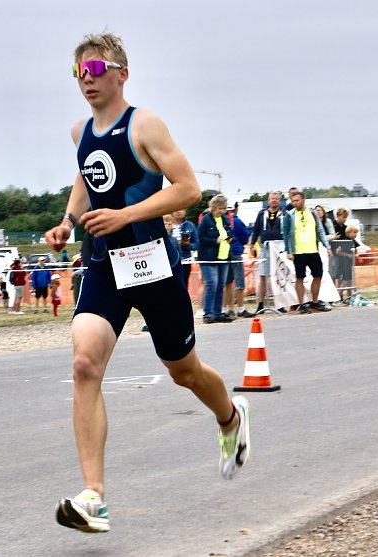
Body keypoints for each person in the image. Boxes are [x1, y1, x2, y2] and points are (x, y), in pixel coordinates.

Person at [45, 32, 249, 534]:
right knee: (84, 363)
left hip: (153, 263)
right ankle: (94, 496)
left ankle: (230, 418)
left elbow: (189, 188)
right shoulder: (80, 132)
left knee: (185, 371)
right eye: (78, 73)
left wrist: (125, 215)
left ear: (121, 73)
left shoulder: (145, 125)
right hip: (105, 265)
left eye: (94, 70)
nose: (85, 81)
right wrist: (69, 223)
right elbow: (85, 179)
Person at [282, 189, 332, 313]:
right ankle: (301, 304)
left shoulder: (312, 213)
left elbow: (320, 230)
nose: (295, 203)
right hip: (298, 252)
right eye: (293, 201)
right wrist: (289, 250)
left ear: (303, 200)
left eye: (297, 201)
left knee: (318, 275)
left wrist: (327, 247)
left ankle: (314, 302)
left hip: (312, 250)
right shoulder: (290, 215)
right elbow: (286, 234)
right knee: (300, 277)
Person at [197, 194, 235, 324]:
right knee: (211, 284)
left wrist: (230, 238)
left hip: (223, 257)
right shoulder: (206, 220)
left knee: (220, 286)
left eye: (223, 209)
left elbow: (229, 232)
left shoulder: (224, 219)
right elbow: (199, 238)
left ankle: (218, 313)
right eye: (220, 208)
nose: (222, 211)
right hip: (209, 258)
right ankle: (207, 314)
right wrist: (214, 241)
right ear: (214, 207)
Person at [249, 191, 286, 314]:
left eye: (276, 198)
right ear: (268, 200)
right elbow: (256, 230)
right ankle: (260, 304)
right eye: (272, 198)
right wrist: (252, 244)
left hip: (278, 248)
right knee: (263, 276)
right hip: (265, 247)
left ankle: (280, 303)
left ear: (279, 200)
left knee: (278, 276)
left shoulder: (283, 213)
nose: (274, 200)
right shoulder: (262, 214)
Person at [223, 205, 252, 318]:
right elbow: (245, 237)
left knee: (227, 283)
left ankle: (228, 308)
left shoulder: (221, 220)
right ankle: (240, 308)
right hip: (235, 252)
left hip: (224, 254)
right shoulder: (237, 221)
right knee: (239, 282)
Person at [169, 208, 199, 288]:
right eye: (176, 209)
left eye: (181, 209)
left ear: (185, 211)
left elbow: (197, 244)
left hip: (185, 260)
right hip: (170, 260)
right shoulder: (167, 224)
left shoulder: (190, 225)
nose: (178, 211)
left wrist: (187, 245)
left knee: (184, 285)